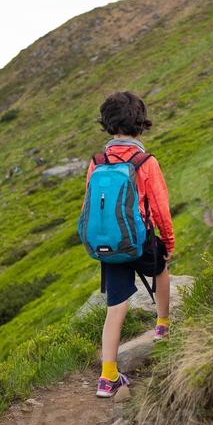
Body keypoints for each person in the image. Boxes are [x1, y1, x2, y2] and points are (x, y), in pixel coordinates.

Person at [83, 91, 175, 399]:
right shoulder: (146, 162)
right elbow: (160, 208)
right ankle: (162, 324)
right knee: (160, 269)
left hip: (110, 246)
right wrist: (169, 241)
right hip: (141, 239)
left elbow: (91, 205)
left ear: (108, 125)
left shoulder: (97, 162)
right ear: (140, 124)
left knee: (115, 306)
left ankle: (107, 377)